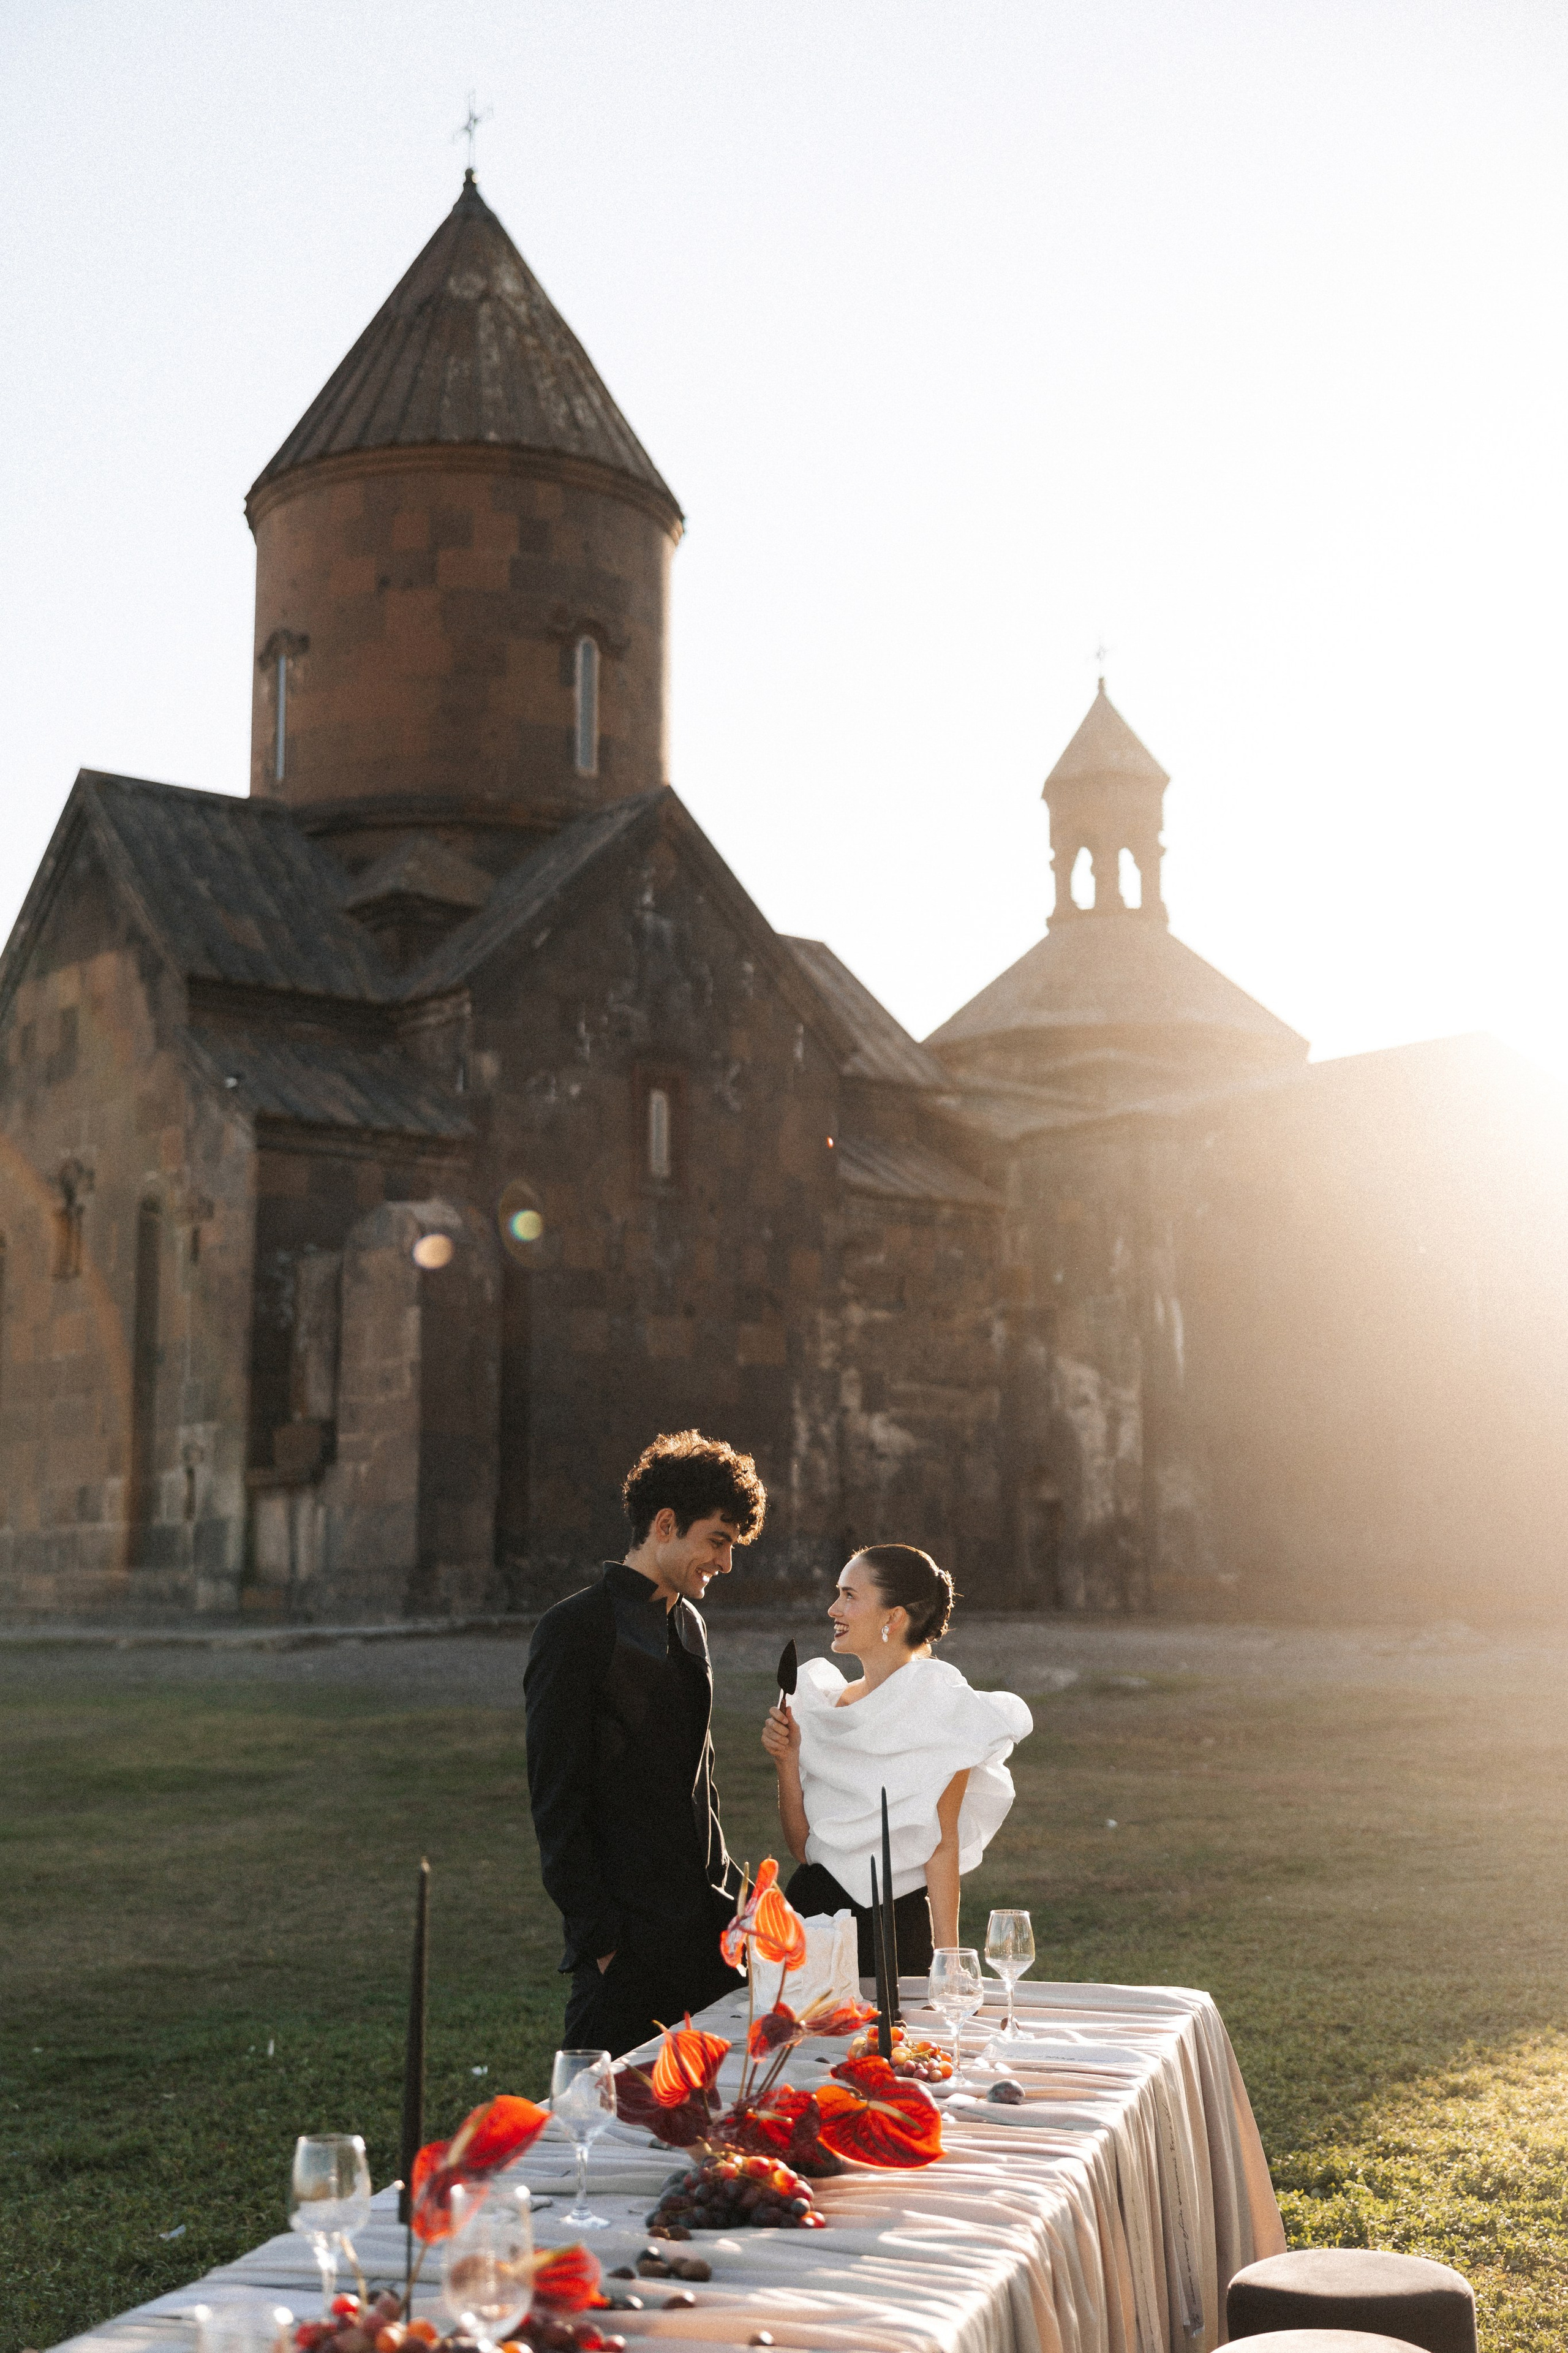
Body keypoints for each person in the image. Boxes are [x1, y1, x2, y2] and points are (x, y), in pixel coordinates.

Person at [524, 1429, 766, 2058]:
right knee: (597, 2131)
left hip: (707, 1939)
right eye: (717, 1540)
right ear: (665, 1523)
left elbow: (700, 1784)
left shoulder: (689, 1622)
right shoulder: (573, 1630)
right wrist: (602, 1943)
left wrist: (736, 1905)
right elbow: (557, 1802)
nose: (726, 1562)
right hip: (624, 1951)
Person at [761, 1544, 1032, 1974]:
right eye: (838, 1593)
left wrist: (949, 1963)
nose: (834, 1608)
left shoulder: (942, 1706)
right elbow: (804, 1850)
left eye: (850, 1595)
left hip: (892, 1928)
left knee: (903, 2044)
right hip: (812, 1921)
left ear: (893, 1617)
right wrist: (786, 1760)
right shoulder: (821, 1708)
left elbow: (942, 1845)